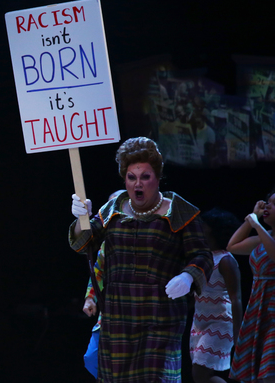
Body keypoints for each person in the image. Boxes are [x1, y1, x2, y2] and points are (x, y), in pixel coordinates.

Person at [69, 136, 213, 382]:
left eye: (145, 177)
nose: (138, 184)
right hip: (118, 321)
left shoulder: (178, 211)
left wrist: (188, 276)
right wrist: (82, 219)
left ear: (157, 178)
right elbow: (84, 244)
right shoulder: (112, 209)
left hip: (160, 319)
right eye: (131, 177)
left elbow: (202, 255)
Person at [227, 188, 275, 383]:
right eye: (267, 202)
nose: (268, 206)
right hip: (258, 306)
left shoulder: (264, 237)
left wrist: (257, 225)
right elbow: (233, 246)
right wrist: (252, 218)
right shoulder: (261, 238)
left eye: (274, 204)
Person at [189, 208, 243, 383]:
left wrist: (238, 332)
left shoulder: (226, 260)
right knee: (200, 378)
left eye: (203, 226)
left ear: (213, 230)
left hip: (220, 324)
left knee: (200, 373)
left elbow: (236, 298)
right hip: (199, 322)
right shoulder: (202, 257)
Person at [82, 189, 125, 379]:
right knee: (92, 358)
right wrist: (90, 299)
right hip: (109, 316)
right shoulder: (106, 243)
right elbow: (96, 273)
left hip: (137, 316)